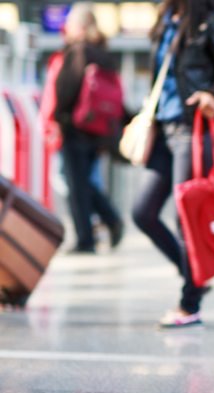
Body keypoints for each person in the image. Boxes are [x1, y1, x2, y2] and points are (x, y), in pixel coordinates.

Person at [131, 0, 214, 328]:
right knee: (143, 212)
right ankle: (195, 275)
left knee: (186, 219)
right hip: (163, 129)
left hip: (191, 129)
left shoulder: (208, 22)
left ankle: (189, 305)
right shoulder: (167, 19)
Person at [50, 3, 124, 254]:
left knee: (76, 184)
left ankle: (86, 239)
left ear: (80, 27)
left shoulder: (77, 51)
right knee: (84, 182)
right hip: (98, 129)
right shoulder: (104, 53)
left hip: (76, 127)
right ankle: (109, 221)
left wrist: (58, 118)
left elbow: (66, 88)